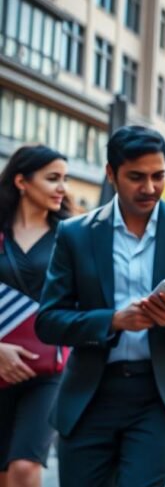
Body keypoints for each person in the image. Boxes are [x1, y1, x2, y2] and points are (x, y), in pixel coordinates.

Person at [35, 126, 165, 487]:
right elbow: (49, 321)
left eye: (158, 176)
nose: (149, 188)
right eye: (136, 177)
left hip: (160, 397)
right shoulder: (75, 234)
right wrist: (112, 321)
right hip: (90, 396)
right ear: (111, 174)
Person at [0, 146, 71, 487]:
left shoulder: (71, 235)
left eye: (65, 179)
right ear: (21, 181)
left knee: (25, 468)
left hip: (50, 370)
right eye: (53, 178)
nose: (63, 188)